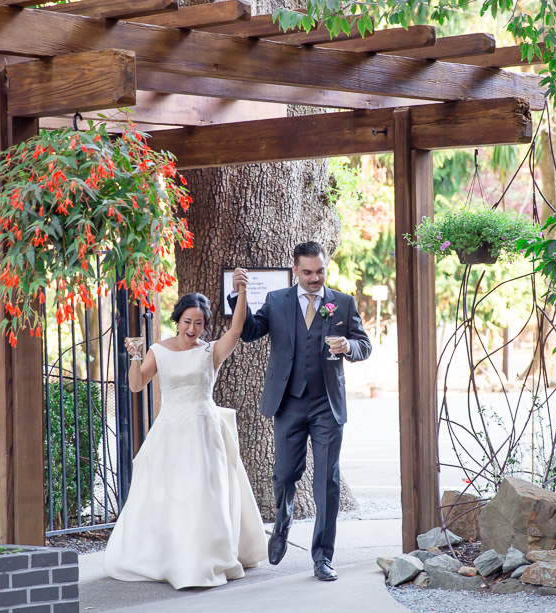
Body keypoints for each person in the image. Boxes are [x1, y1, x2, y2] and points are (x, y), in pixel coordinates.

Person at [103, 287, 267, 589]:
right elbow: (137, 385)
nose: (193, 329)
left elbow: (238, 327)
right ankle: (171, 557)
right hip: (170, 430)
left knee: (205, 493)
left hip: (205, 430)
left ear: (205, 325)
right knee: (170, 494)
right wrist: (135, 357)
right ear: (177, 320)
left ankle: (206, 558)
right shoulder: (160, 350)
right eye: (187, 322)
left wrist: (242, 292)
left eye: (199, 323)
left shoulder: (211, 351)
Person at [228, 241, 371, 582]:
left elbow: (364, 345)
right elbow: (248, 332)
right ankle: (283, 518)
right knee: (284, 474)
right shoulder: (277, 301)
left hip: (327, 405)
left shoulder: (343, 303)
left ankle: (322, 557)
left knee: (326, 483)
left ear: (325, 267)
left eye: (319, 271)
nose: (314, 278)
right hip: (289, 403)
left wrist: (349, 345)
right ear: (295, 270)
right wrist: (240, 296)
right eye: (307, 272)